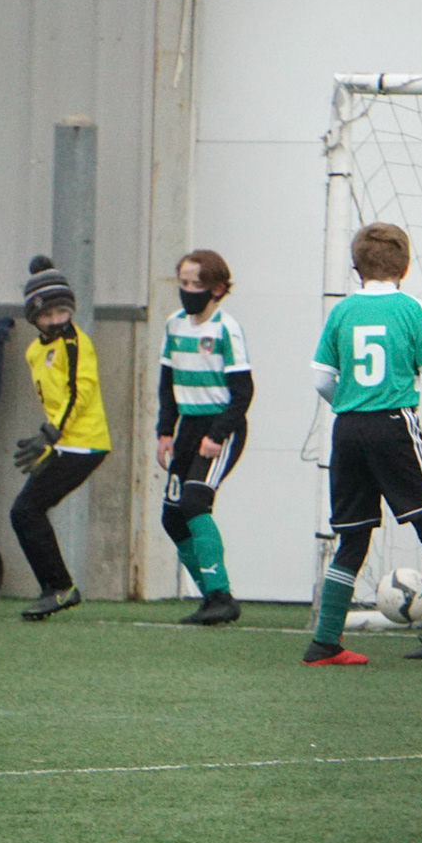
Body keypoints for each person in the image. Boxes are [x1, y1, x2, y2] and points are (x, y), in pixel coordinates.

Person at [303, 222, 422, 665]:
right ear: (405, 267)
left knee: (352, 537)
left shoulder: (342, 312)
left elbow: (321, 380)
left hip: (347, 429)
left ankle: (324, 642)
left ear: (356, 268)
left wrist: (352, 401)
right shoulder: (411, 308)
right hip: (394, 425)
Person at [155, 250, 253, 625]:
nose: (186, 290)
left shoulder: (226, 329)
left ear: (216, 289)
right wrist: (165, 432)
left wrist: (217, 435)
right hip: (188, 427)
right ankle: (209, 597)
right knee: (172, 518)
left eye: (194, 284)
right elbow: (167, 385)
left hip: (220, 426)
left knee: (195, 500)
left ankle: (220, 596)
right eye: (182, 283)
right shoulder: (174, 326)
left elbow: (243, 392)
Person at [11, 255, 111, 621]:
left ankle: (59, 588)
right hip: (64, 442)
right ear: (33, 316)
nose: (56, 320)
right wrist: (50, 439)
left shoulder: (75, 343)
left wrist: (51, 432)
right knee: (25, 511)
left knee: (26, 509)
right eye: (47, 314)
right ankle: (56, 587)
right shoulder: (34, 351)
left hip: (84, 443)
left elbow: (80, 391)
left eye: (62, 312)